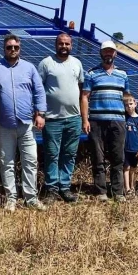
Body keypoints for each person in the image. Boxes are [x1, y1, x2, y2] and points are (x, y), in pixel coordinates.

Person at [0, 34, 47, 212]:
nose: (12, 50)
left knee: (30, 161)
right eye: (9, 47)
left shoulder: (29, 68)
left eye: (16, 47)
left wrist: (41, 113)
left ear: (20, 48)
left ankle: (31, 198)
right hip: (4, 125)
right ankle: (11, 199)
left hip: (26, 123)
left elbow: (39, 91)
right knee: (7, 163)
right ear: (4, 48)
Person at [80, 40, 130, 202]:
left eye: (111, 51)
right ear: (101, 53)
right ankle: (101, 191)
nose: (108, 54)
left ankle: (118, 192)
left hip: (118, 121)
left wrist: (129, 118)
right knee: (98, 157)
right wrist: (85, 119)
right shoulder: (91, 74)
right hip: (96, 121)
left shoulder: (123, 74)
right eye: (105, 51)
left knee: (118, 157)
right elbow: (85, 97)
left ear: (115, 54)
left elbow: (127, 97)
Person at [37, 33, 84, 204]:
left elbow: (80, 88)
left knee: (69, 154)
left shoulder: (77, 63)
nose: (64, 46)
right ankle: (51, 188)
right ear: (55, 44)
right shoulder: (46, 63)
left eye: (67, 44)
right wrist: (39, 113)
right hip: (52, 119)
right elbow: (38, 89)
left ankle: (65, 187)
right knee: (52, 154)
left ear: (71, 46)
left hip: (73, 118)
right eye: (61, 43)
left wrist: (83, 117)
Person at [122, 93, 138, 197]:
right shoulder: (124, 118)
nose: (129, 106)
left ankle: (132, 186)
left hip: (135, 149)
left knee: (133, 169)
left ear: (135, 104)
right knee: (126, 168)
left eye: (131, 103)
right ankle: (127, 189)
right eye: (126, 104)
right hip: (125, 149)